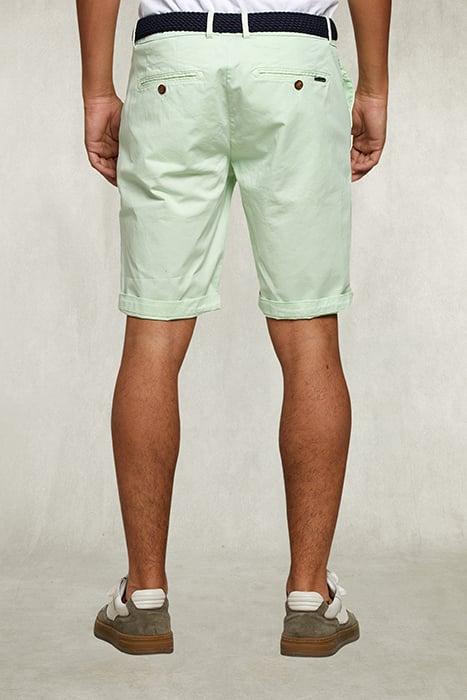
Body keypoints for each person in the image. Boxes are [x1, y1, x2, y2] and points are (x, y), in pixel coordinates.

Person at [77, 0, 390, 657]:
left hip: (174, 62)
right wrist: (373, 86)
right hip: (293, 59)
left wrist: (97, 90)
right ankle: (309, 600)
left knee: (154, 330)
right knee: (308, 332)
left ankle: (144, 599)